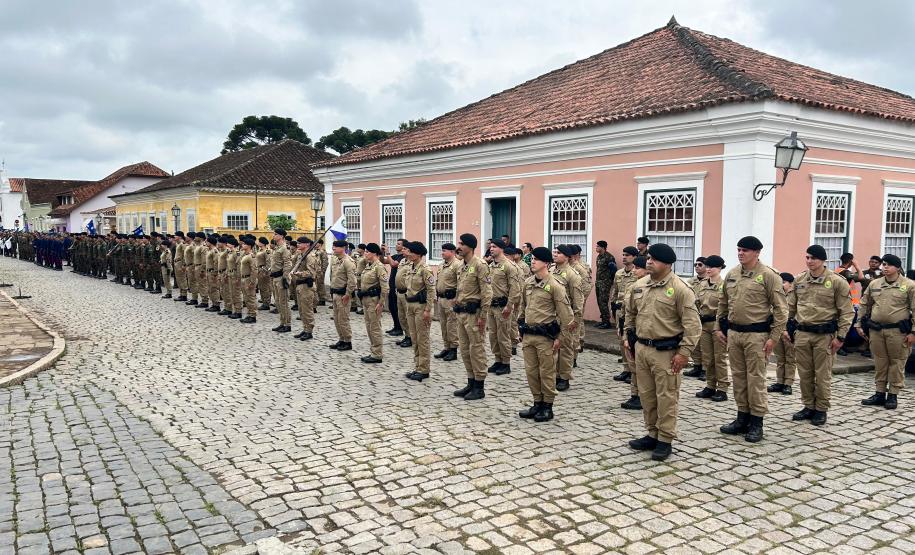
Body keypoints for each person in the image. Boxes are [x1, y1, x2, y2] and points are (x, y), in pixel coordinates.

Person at [623, 243, 701, 461]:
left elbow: (693, 325)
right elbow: (630, 313)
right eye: (648, 258)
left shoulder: (680, 289)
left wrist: (684, 353)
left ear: (667, 264)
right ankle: (652, 433)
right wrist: (628, 338)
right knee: (646, 395)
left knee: (666, 396)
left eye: (654, 259)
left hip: (666, 351)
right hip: (642, 348)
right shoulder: (640, 285)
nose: (649, 261)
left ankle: (665, 439)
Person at [715, 236, 788, 443]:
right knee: (738, 377)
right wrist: (720, 327)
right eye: (739, 250)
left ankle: (757, 422)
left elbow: (782, 310)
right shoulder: (732, 274)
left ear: (757, 253)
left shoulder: (768, 276)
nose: (740, 253)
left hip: (757, 335)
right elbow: (723, 302)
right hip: (734, 334)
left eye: (745, 250)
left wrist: (773, 338)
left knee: (755, 378)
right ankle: (742, 417)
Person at [786, 245, 854, 426]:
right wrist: (786, 327)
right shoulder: (799, 279)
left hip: (825, 335)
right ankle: (808, 405)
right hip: (802, 333)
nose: (809, 261)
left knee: (822, 375)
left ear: (822, 260)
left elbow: (846, 312)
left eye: (813, 258)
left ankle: (821, 409)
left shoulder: (837, 281)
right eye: (807, 257)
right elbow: (790, 307)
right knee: (805, 373)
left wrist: (840, 337)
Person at [518, 246, 574, 422]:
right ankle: (537, 402)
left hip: (546, 337)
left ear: (546, 263)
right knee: (531, 372)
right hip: (529, 335)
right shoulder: (528, 283)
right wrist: (520, 328)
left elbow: (566, 316)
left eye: (536, 259)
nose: (532, 262)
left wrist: (560, 339)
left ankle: (547, 406)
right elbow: (523, 308)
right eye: (532, 259)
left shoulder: (555, 286)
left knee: (546, 372)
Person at [857, 254, 915, 410]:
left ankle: (893, 395)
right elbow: (864, 304)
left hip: (898, 332)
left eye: (888, 265)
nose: (884, 267)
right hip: (876, 330)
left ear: (897, 267)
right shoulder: (875, 284)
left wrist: (913, 333)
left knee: (897, 362)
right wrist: (858, 324)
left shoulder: (909, 285)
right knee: (880, 361)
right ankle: (879, 393)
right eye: (883, 264)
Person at [452, 233, 493, 400]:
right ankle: (470, 381)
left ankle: (479, 386)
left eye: (462, 244)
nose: (459, 246)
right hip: (462, 312)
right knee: (464, 349)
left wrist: (483, 316)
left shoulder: (480, 265)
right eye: (459, 243)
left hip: (474, 314)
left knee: (476, 349)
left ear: (470, 246)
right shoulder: (462, 265)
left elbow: (487, 292)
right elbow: (461, 288)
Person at [694, 255, 729, 402]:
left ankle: (722, 388)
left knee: (719, 357)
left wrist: (722, 326)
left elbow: (727, 306)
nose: (708, 269)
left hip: (717, 324)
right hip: (703, 324)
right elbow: (696, 303)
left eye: (711, 267)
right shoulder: (702, 284)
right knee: (707, 358)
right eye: (707, 267)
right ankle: (710, 385)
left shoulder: (724, 285)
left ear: (719, 268)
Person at [403, 241, 437, 382]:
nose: (408, 254)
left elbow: (431, 290)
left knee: (422, 339)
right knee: (414, 338)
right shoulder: (412, 267)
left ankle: (424, 369)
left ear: (417, 254)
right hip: (410, 305)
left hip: (421, 307)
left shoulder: (425, 269)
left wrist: (428, 310)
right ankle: (417, 366)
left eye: (410, 252)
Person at [487, 238, 521, 376]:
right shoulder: (490, 266)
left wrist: (509, 306)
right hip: (491, 306)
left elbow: (515, 288)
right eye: (491, 246)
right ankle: (497, 359)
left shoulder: (509, 266)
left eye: (494, 246)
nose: (491, 249)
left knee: (503, 335)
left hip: (503, 306)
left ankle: (506, 363)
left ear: (501, 248)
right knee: (493, 335)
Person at [551, 245, 582, 391]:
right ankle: (555, 375)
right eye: (554, 252)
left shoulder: (572, 274)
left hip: (566, 316)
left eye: (559, 253)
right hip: (551, 315)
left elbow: (577, 300)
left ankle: (564, 377)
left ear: (567, 257)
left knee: (565, 348)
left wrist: (576, 319)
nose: (555, 254)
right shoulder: (551, 270)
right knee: (553, 347)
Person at [619, 255, 647, 410]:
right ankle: (635, 395)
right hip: (631, 331)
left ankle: (642, 396)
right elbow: (628, 311)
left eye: (638, 268)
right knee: (633, 365)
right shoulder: (633, 286)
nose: (635, 271)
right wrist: (624, 333)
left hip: (643, 332)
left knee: (641, 368)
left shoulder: (646, 287)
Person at [612, 246, 640, 383]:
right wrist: (613, 306)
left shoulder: (638, 274)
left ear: (634, 257)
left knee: (632, 341)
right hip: (620, 311)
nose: (624, 257)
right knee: (622, 340)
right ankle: (626, 369)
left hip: (632, 312)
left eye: (627, 255)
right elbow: (615, 291)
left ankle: (634, 370)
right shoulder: (619, 274)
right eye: (623, 254)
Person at [359, 243, 389, 363]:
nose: (365, 254)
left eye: (367, 252)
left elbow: (385, 287)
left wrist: (381, 303)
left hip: (374, 300)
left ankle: (377, 354)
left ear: (374, 253)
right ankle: (373, 351)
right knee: (369, 326)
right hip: (366, 300)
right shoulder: (368, 266)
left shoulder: (379, 267)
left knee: (375, 327)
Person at [769, 272, 797, 395]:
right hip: (777, 330)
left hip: (790, 330)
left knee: (790, 358)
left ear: (791, 284)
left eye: (784, 282)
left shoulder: (795, 295)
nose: (781, 285)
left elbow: (794, 313)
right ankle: (780, 381)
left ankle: (788, 383)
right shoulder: (777, 294)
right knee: (780, 358)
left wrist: (787, 330)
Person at [434, 243, 462, 361]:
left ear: (452, 252)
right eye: (442, 250)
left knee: (452, 326)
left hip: (451, 299)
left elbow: (461, 283)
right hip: (441, 299)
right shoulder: (441, 265)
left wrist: (457, 299)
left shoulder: (457, 265)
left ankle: (453, 349)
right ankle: (446, 347)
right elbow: (438, 281)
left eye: (444, 250)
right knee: (443, 325)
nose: (442, 253)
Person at [328, 239, 357, 351]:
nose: (333, 248)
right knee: (336, 318)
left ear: (343, 248)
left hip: (343, 295)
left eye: (336, 246)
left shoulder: (348, 262)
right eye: (333, 246)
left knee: (343, 319)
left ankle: (347, 341)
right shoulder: (337, 260)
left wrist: (348, 294)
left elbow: (352, 281)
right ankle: (341, 339)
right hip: (335, 293)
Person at [291, 237, 320, 340]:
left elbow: (312, 273)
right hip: (300, 285)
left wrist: (299, 273)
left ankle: (309, 331)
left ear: (307, 244)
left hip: (306, 286)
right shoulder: (302, 255)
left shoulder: (310, 257)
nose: (298, 244)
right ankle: (305, 329)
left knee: (307, 309)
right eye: (297, 243)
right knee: (301, 309)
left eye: (300, 243)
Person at [684, 257, 708, 380]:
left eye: (700, 264)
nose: (697, 267)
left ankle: (705, 369)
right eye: (695, 264)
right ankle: (697, 365)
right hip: (693, 315)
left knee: (705, 345)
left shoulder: (710, 281)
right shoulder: (690, 281)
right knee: (695, 343)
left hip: (706, 318)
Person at [269, 229, 293, 332]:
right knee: (278, 302)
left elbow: (287, 264)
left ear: (282, 236)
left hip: (281, 278)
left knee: (283, 302)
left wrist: (285, 278)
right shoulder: (277, 248)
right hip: (275, 277)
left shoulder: (284, 248)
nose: (274, 235)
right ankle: (282, 323)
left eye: (276, 234)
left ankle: (287, 324)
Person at [383, 240, 406, 337]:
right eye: (397, 243)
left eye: (399, 244)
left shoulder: (403, 257)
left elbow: (393, 264)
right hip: (392, 284)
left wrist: (387, 252)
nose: (396, 245)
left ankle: (400, 328)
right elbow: (383, 261)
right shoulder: (396, 256)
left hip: (399, 286)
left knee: (397, 308)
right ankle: (396, 326)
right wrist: (381, 253)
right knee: (392, 307)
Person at [594, 241, 617, 329]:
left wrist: (609, 281)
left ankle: (607, 322)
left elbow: (613, 270)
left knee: (603, 302)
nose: (596, 247)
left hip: (605, 283)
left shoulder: (609, 257)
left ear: (603, 247)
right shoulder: (599, 256)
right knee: (600, 302)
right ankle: (603, 320)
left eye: (598, 246)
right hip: (598, 282)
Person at [239, 236, 258, 323]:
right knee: (246, 298)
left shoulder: (251, 256)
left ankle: (253, 316)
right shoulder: (245, 255)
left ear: (249, 246)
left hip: (248, 279)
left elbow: (254, 270)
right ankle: (249, 314)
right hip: (243, 278)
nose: (242, 245)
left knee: (250, 298)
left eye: (245, 244)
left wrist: (252, 281)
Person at [256, 237, 273, 310]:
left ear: (262, 243)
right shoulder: (260, 250)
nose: (257, 242)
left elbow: (269, 262)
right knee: (261, 287)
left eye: (259, 241)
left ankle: (266, 303)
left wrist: (266, 271)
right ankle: (263, 301)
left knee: (265, 287)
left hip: (264, 271)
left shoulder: (267, 251)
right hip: (259, 270)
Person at [316, 239, 329, 306]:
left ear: (320, 244)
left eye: (316, 243)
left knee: (320, 285)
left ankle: (322, 299)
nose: (315, 244)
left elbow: (325, 262)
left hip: (320, 271)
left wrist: (323, 271)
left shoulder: (322, 252)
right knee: (317, 285)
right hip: (316, 271)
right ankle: (318, 298)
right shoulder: (316, 251)